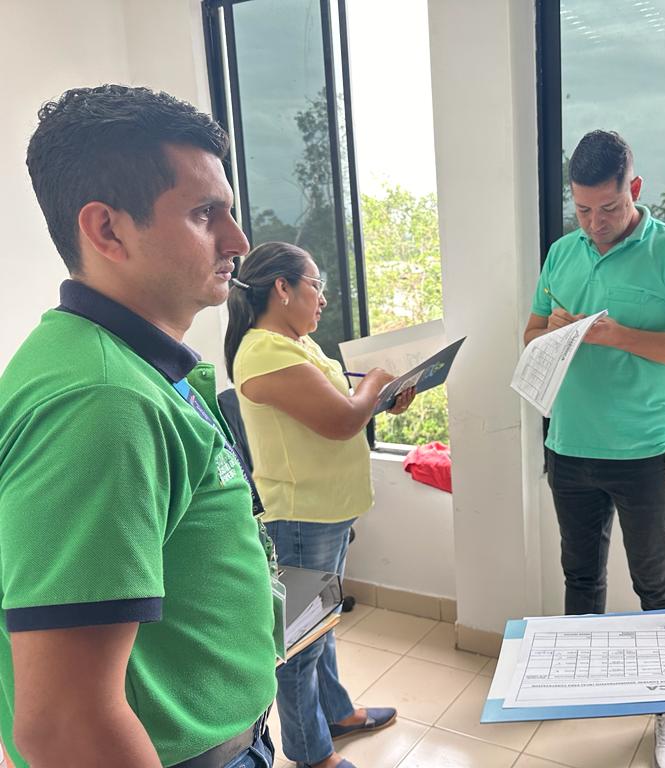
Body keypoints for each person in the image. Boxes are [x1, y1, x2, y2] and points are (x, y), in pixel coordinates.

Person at [0, 85, 278, 767]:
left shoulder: (124, 367)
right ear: (107, 230)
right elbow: (65, 724)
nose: (238, 241)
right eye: (205, 214)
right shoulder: (102, 402)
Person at [523, 129, 665, 768]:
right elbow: (529, 333)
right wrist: (550, 332)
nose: (594, 222)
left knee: (655, 585)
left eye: (607, 208)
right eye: (582, 209)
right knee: (580, 576)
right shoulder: (562, 253)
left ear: (633, 188)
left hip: (645, 452)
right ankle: (584, 689)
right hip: (569, 446)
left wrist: (618, 336)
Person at [224, 242, 412, 768]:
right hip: (301, 514)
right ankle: (311, 754)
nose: (324, 299)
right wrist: (376, 380)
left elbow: (342, 405)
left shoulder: (299, 344)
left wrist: (381, 396)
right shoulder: (264, 351)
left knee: (322, 625)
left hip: (328, 508)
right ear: (282, 288)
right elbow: (341, 420)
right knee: (301, 643)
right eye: (316, 285)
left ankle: (337, 713)